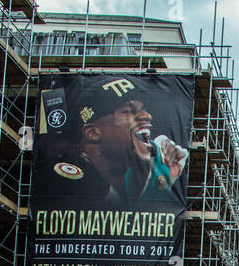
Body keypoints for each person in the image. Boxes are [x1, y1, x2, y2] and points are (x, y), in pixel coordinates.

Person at [39, 76, 189, 208]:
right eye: (129, 111)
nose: (147, 116)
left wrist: (163, 179)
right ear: (93, 132)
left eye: (143, 109)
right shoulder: (66, 184)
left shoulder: (126, 183)